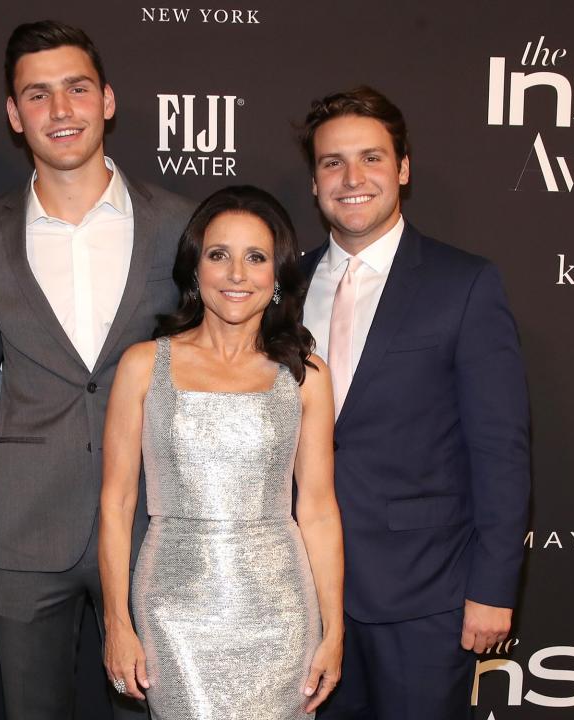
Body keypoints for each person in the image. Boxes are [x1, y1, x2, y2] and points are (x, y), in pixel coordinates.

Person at [0, 20, 195, 720]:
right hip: (28, 527)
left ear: (108, 100)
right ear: (13, 113)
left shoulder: (179, 226)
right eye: (38, 94)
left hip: (155, 520)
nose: (61, 111)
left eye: (77, 89)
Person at [298, 87, 531, 720]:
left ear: (402, 168)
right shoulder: (281, 287)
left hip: (427, 596)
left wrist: (492, 590)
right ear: (315, 180)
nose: (352, 179)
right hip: (303, 596)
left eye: (371, 158)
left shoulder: (465, 283)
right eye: (331, 162)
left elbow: (500, 451)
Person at [99, 185, 345, 719]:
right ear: (194, 268)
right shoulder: (143, 365)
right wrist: (118, 622)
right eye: (219, 255)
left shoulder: (306, 375)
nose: (237, 274)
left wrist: (333, 627)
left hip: (280, 609)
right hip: (173, 610)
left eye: (255, 257)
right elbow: (117, 505)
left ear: (277, 276)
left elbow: (319, 509)